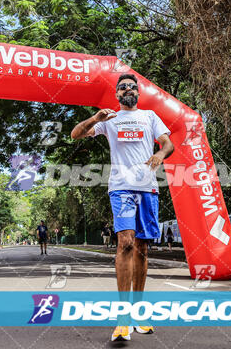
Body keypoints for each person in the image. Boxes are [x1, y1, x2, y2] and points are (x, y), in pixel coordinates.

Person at [71, 73, 174, 341]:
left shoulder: (150, 117)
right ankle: (122, 316)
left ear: (138, 94)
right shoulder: (109, 119)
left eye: (132, 87)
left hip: (148, 189)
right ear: (117, 95)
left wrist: (160, 154)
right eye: (123, 87)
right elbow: (75, 135)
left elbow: (168, 143)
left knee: (141, 247)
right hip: (121, 188)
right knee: (125, 243)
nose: (128, 89)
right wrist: (95, 119)